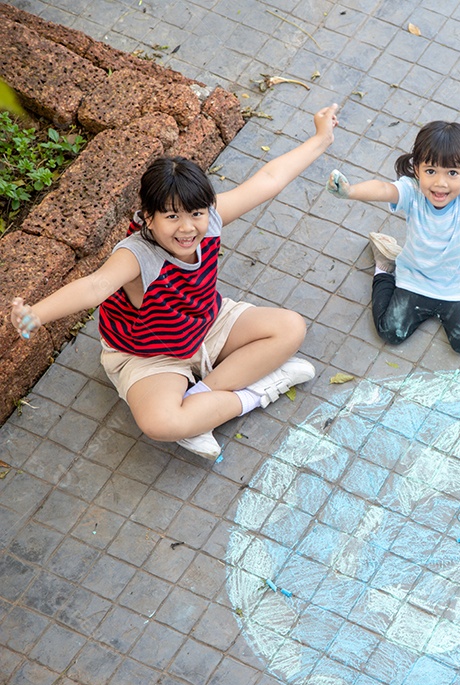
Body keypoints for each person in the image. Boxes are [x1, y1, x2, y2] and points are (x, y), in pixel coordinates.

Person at [9, 104, 340, 459]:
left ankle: (198, 406)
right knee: (161, 424)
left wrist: (321, 138)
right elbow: (95, 286)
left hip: (207, 324)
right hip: (149, 355)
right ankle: (252, 394)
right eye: (171, 216)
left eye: (196, 213)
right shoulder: (137, 254)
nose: (187, 228)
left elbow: (269, 180)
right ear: (148, 218)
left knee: (290, 327)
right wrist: (37, 314)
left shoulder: (209, 220)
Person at [325, 120, 460, 354]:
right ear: (417, 169)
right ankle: (384, 266)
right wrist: (350, 191)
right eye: (431, 171)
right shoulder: (412, 190)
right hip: (416, 278)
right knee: (390, 332)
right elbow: (384, 189)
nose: (440, 183)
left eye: (452, 173)